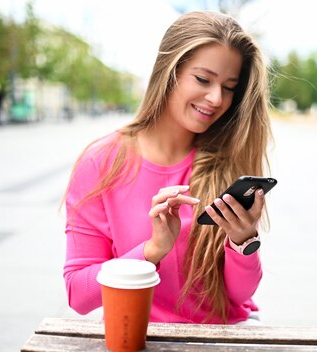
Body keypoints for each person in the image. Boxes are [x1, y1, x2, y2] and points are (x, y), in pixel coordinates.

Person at [63, 11, 272, 324]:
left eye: (229, 87)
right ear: (169, 71)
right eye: (203, 79)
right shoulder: (102, 162)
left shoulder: (226, 158)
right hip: (141, 335)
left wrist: (243, 243)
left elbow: (239, 297)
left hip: (226, 335)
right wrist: (151, 251)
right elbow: (78, 294)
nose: (216, 98)